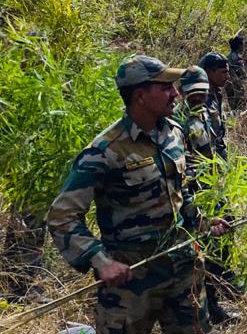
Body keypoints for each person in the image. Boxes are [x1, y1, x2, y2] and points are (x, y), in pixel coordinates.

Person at [46, 54, 230, 334]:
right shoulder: (105, 151)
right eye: (166, 87)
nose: (176, 93)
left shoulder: (174, 134)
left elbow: (179, 194)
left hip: (183, 270)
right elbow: (62, 216)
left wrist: (203, 222)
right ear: (140, 96)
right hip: (131, 284)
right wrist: (101, 261)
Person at [175, 67, 239, 325]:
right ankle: (206, 311)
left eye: (202, 93)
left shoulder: (206, 114)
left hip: (213, 190)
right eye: (193, 94)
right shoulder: (177, 122)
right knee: (201, 255)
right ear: (182, 93)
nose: (198, 98)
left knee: (222, 242)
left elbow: (214, 150)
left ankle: (216, 302)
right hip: (195, 196)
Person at [198, 52, 229, 161]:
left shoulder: (217, 94)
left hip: (219, 154)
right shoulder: (198, 99)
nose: (227, 76)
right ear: (209, 72)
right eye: (223, 72)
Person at [225, 34, 247, 113]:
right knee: (240, 108)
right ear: (240, 46)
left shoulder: (228, 56)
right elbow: (242, 74)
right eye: (243, 45)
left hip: (229, 85)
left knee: (233, 108)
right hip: (236, 86)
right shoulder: (237, 58)